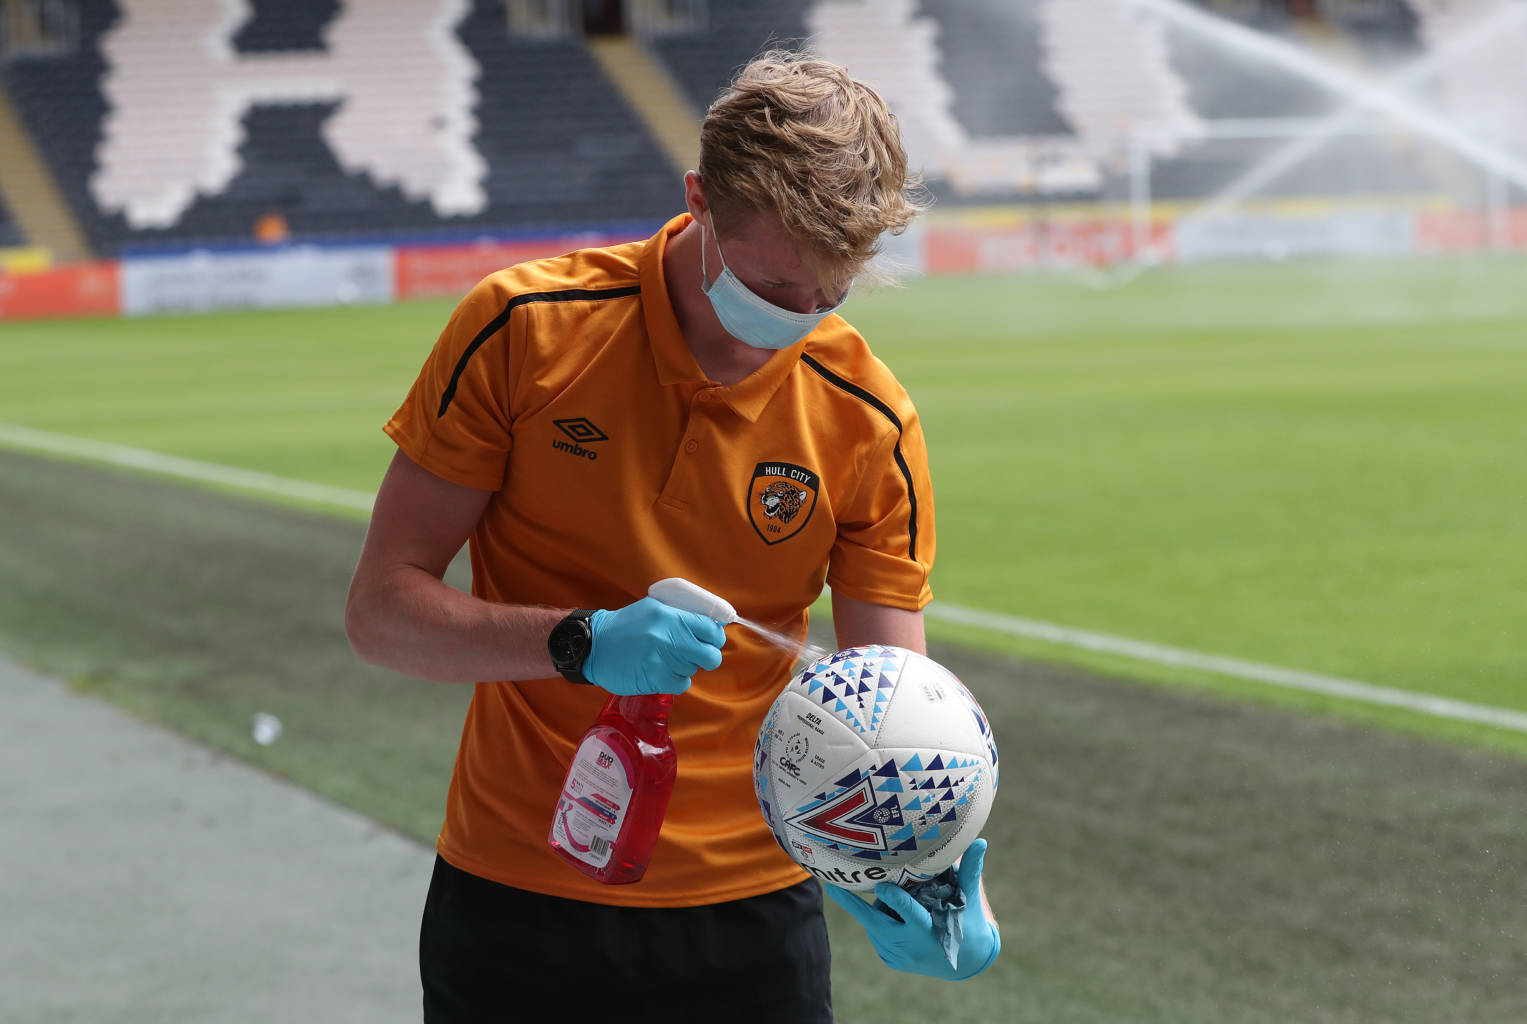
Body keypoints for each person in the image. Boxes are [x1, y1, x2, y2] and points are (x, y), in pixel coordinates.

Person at [345, 50, 999, 1023]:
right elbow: (382, 613)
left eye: (830, 295)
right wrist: (578, 642)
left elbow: (889, 714)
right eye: (773, 286)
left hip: (755, 923)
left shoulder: (870, 417)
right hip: (519, 897)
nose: (794, 324)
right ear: (698, 201)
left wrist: (929, 872)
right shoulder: (524, 330)